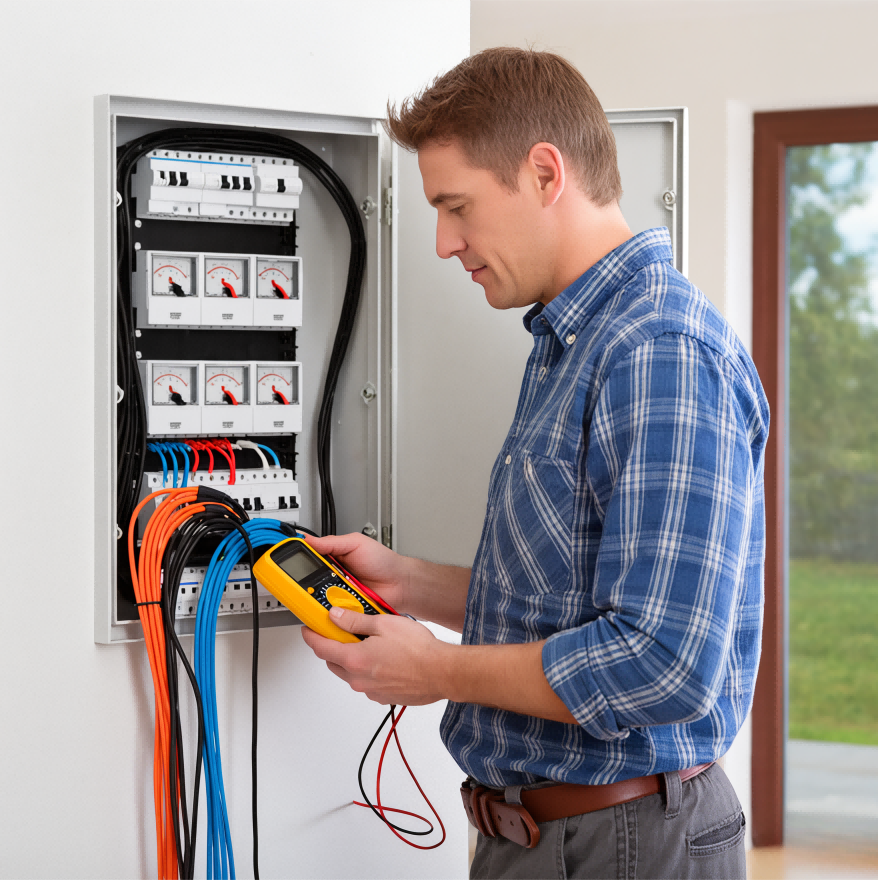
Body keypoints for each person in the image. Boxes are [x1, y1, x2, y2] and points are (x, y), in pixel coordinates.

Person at [301, 48, 767, 879]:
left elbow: (662, 662)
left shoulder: (657, 351)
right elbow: (576, 598)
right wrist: (412, 583)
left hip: (623, 841)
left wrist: (437, 668)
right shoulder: (573, 342)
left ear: (545, 172)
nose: (445, 243)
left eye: (457, 207)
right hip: (546, 837)